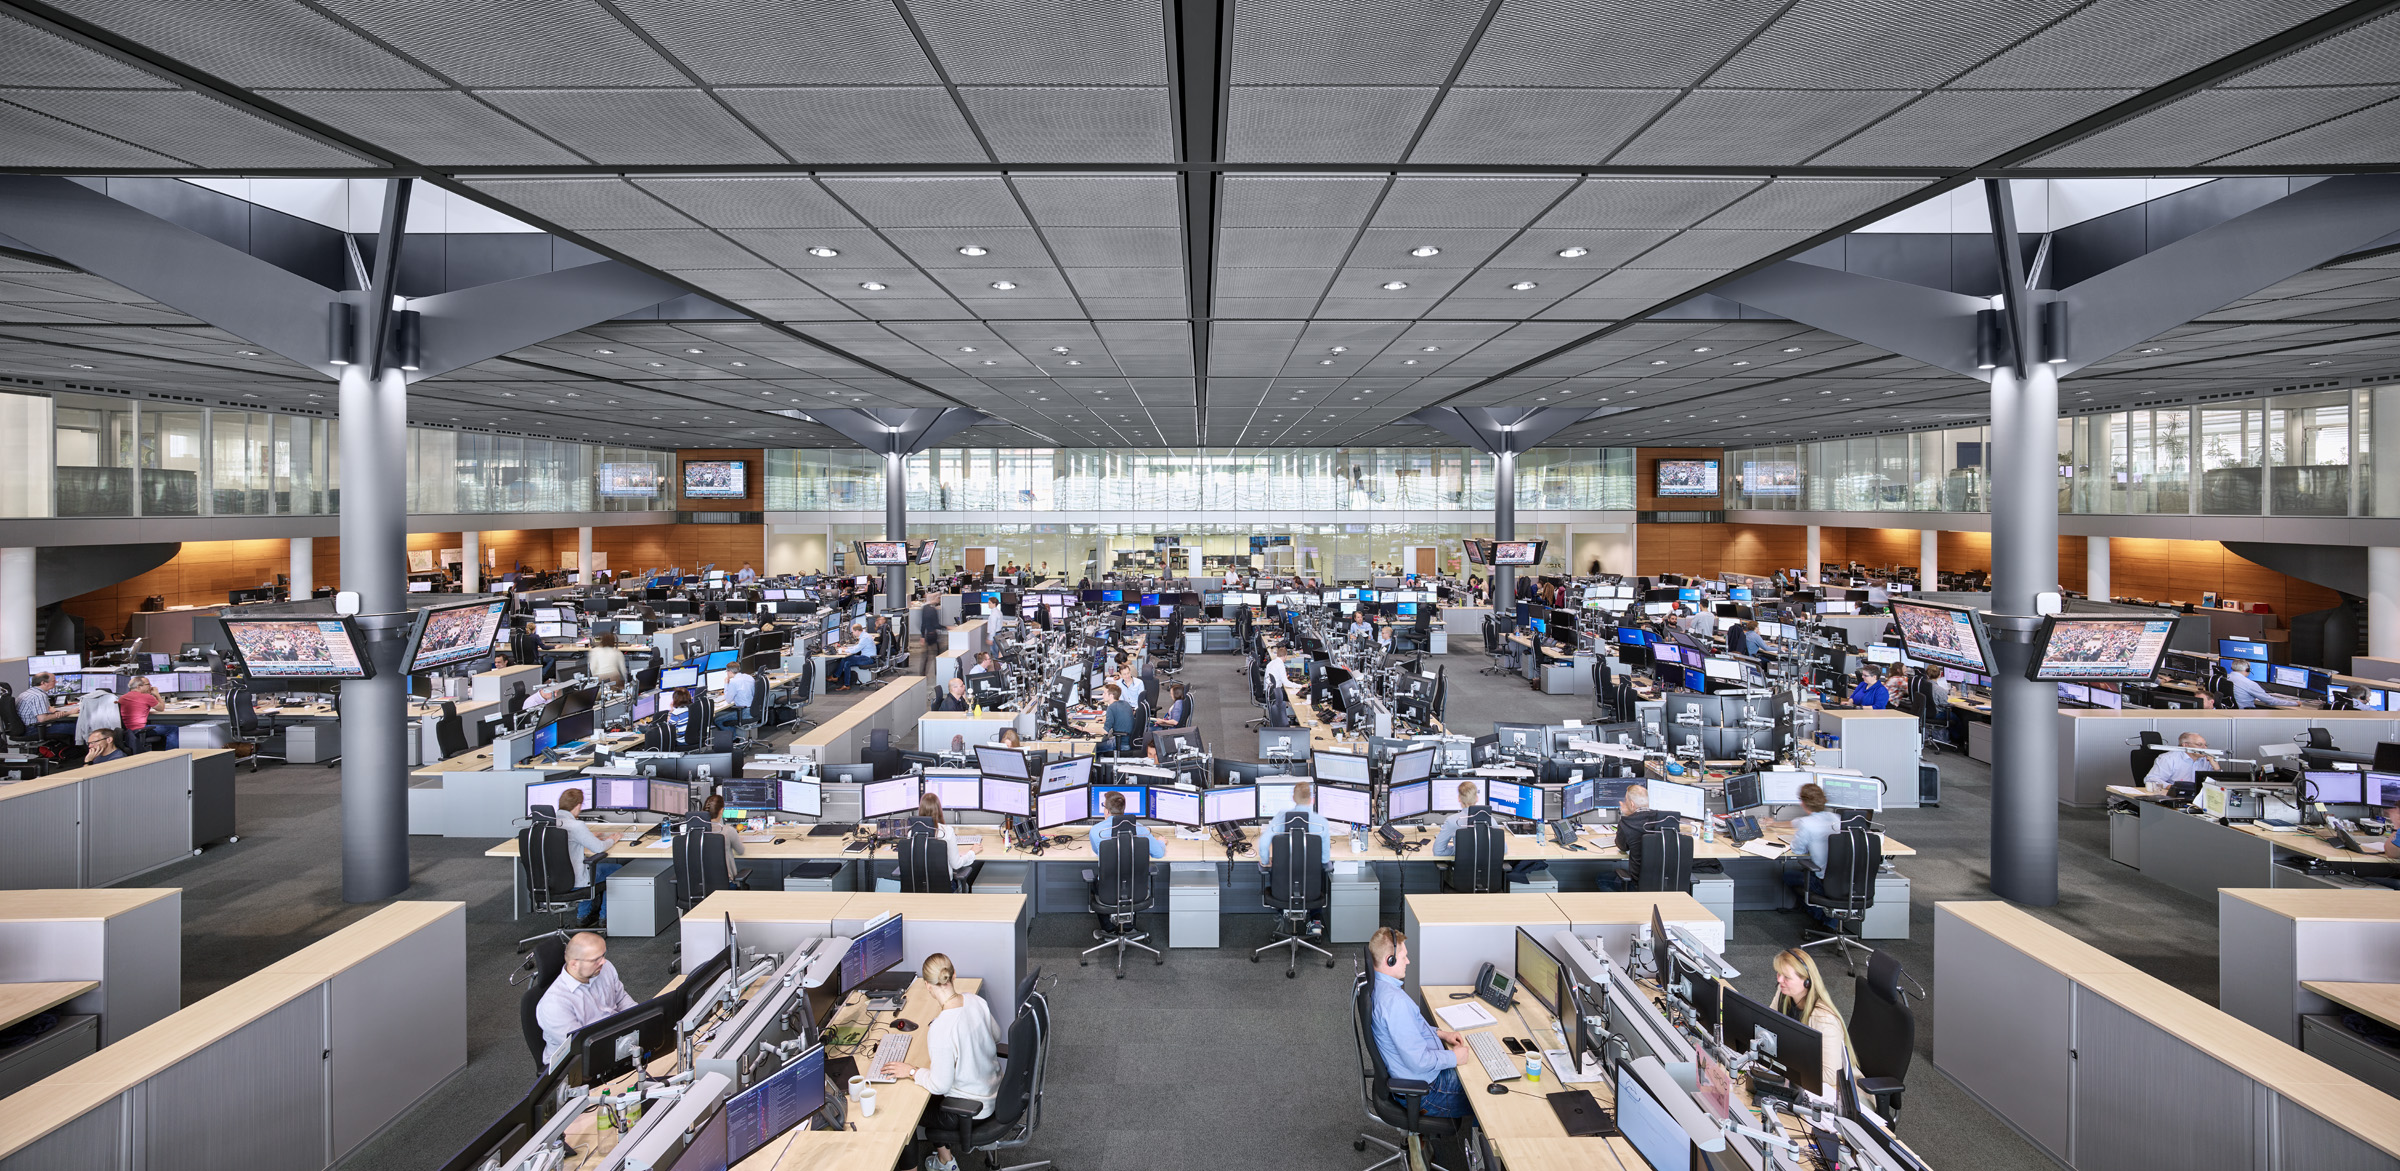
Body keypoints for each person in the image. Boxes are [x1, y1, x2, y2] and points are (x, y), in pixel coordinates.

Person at [879, 954, 1003, 1171]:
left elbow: (940, 1086)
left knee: (906, 1110)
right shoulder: (976, 1001)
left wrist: (911, 1071)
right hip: (994, 1091)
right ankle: (946, 1161)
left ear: (927, 986)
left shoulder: (941, 1028)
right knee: (926, 1079)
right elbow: (997, 1036)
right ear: (954, 975)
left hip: (969, 1109)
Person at [1365, 927, 1471, 1118]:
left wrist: (1441, 1034)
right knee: (1482, 1090)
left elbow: (1412, 1027)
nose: (1408, 961)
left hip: (1416, 1078)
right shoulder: (1395, 1003)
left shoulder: (1383, 988)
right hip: (1427, 1091)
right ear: (1390, 959)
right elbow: (1419, 1061)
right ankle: (1477, 1146)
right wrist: (1455, 1058)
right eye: (1404, 956)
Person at [535, 931, 635, 1069]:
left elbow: (622, 999)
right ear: (574, 964)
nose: (603, 962)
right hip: (576, 1064)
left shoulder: (604, 968)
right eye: (596, 960)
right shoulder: (554, 1004)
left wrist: (640, 1024)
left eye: (603, 955)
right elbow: (582, 1046)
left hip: (614, 1042)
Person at [1768, 948, 1850, 1096]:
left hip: (1828, 1091)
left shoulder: (1824, 1020)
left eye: (1786, 977)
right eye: (1779, 974)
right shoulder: (1784, 994)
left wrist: (1787, 1065)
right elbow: (1769, 1025)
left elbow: (1832, 1075)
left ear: (1806, 982)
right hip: (1795, 1078)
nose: (1779, 980)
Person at [553, 787, 621, 927]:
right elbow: (599, 848)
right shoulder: (576, 826)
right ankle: (605, 917)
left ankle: (583, 917)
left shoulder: (549, 823)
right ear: (578, 806)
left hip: (552, 880)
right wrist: (613, 839)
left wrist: (588, 837)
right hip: (576, 880)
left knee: (587, 869)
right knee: (616, 870)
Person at [1609, 784, 1685, 889]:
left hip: (1638, 884)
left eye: (1626, 800)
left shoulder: (1627, 823)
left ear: (1631, 804)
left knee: (1601, 879)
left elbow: (1622, 846)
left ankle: (1624, 903)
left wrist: (1625, 815)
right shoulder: (1666, 818)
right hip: (1668, 884)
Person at [1779, 782, 1842, 904]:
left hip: (1823, 881)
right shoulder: (1836, 818)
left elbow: (1798, 850)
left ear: (1803, 803)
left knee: (1788, 875)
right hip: (1843, 880)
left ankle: (1818, 914)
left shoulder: (1807, 824)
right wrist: (1774, 824)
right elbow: (1799, 822)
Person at [695, 793, 746, 882]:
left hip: (700, 885)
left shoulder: (695, 830)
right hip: (726, 883)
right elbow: (740, 851)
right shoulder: (728, 830)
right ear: (721, 811)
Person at [1077, 683, 1140, 753]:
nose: (1102, 695)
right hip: (1127, 740)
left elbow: (1105, 731)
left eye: (1105, 693)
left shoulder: (1111, 707)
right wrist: (1106, 719)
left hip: (1121, 744)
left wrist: (1084, 729)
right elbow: (1120, 717)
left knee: (1089, 747)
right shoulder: (1125, 703)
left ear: (1111, 696)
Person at [2142, 732, 2210, 793]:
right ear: (2185, 745)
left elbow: (2215, 784)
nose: (2205, 748)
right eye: (2199, 744)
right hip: (2174, 795)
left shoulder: (2206, 760)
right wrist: (2172, 787)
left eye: (2206, 745)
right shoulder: (2169, 758)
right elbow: (2151, 779)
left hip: (2198, 796)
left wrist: (2216, 767)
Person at [119, 676, 165, 752]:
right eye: (148, 684)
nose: (150, 686)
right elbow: (161, 708)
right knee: (173, 729)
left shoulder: (122, 697)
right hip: (140, 729)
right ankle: (172, 754)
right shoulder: (147, 697)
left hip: (128, 731)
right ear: (139, 687)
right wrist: (157, 694)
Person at [2228, 667, 2300, 708]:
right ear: (2247, 670)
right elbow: (2270, 701)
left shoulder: (2225, 678)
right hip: (2246, 714)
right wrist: (2295, 703)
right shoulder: (2250, 684)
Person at [836, 623, 878, 690]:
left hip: (868, 659)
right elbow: (857, 647)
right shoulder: (865, 635)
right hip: (867, 657)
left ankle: (836, 676)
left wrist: (845, 650)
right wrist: (846, 649)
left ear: (857, 631)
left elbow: (855, 650)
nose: (853, 633)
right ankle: (846, 685)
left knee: (845, 659)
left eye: (853, 632)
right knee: (847, 663)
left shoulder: (865, 638)